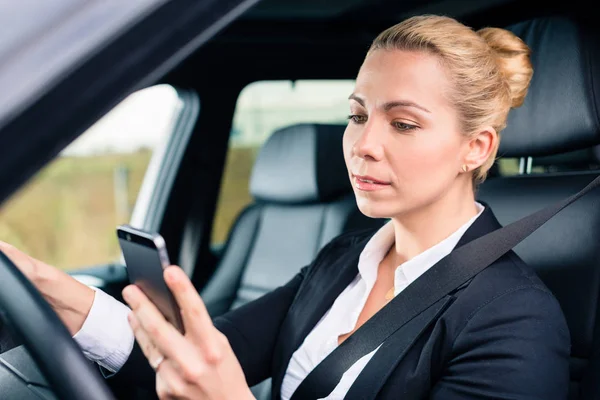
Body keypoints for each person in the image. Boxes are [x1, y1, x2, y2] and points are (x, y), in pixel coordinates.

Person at [0, 14, 570, 400]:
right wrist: (48, 287)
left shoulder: (516, 320)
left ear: (476, 148)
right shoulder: (341, 260)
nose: (363, 143)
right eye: (357, 114)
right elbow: (202, 358)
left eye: (403, 123)